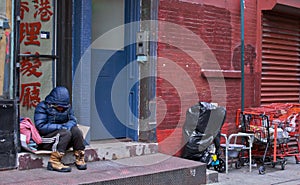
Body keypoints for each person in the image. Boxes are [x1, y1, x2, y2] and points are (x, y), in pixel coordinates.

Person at [34, 86, 87, 172]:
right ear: (53, 103)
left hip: (63, 138)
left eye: (63, 107)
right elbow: (41, 126)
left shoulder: (67, 107)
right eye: (59, 106)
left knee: (76, 131)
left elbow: (73, 120)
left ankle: (79, 157)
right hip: (47, 140)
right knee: (65, 133)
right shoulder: (42, 107)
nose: (61, 108)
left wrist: (67, 126)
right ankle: (54, 162)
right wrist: (61, 127)